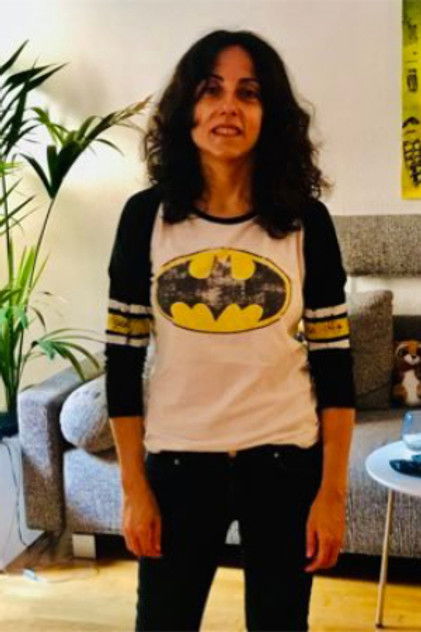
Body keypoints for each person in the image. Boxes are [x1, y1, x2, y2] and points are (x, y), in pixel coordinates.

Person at [105, 29, 356, 632]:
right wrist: (134, 489)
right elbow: (121, 361)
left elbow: (334, 366)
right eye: (211, 90)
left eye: (249, 93)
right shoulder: (146, 218)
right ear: (186, 108)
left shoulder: (305, 222)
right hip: (178, 466)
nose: (228, 107)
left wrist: (330, 495)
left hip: (284, 464)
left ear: (271, 115)